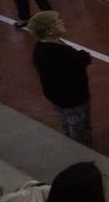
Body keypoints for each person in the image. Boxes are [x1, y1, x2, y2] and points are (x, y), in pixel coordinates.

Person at [27, 11, 92, 146]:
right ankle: (80, 149)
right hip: (72, 96)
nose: (62, 22)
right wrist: (83, 55)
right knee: (79, 125)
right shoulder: (58, 52)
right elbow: (83, 59)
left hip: (56, 95)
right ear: (49, 31)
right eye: (57, 22)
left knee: (66, 120)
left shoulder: (41, 47)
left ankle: (70, 140)